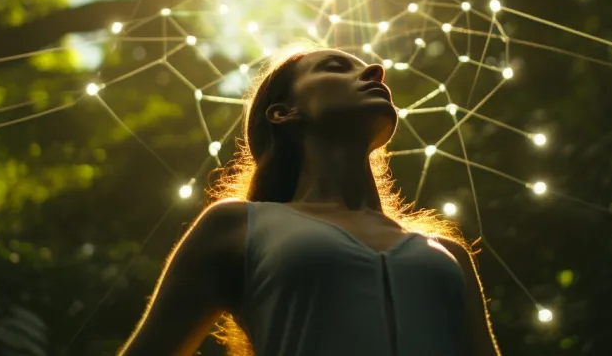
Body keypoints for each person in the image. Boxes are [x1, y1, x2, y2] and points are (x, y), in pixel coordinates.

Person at [118, 45, 502, 356]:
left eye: (366, 67)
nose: (376, 71)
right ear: (282, 113)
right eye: (335, 67)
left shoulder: (449, 253)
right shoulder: (237, 227)